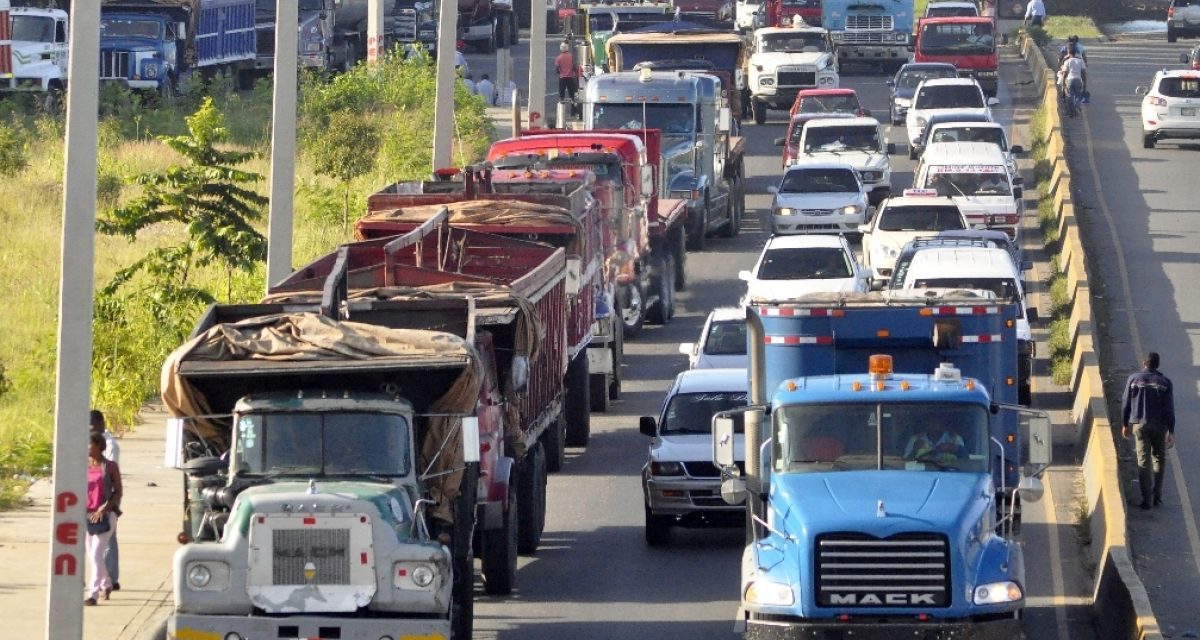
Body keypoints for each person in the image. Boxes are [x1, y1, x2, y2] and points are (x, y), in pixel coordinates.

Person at [1121, 352, 1175, 510]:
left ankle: (1147, 500)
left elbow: (1125, 403)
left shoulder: (1133, 379)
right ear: (1157, 365)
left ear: (1144, 363)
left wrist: (1125, 424)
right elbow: (1169, 409)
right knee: (1159, 458)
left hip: (1139, 424)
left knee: (1143, 461)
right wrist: (1171, 431)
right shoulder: (1165, 382)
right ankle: (1157, 496)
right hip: (1160, 426)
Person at [85, 432, 122, 606]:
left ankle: (93, 594)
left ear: (99, 446)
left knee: (97, 553)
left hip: (106, 515)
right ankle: (106, 583)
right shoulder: (83, 466)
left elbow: (118, 492)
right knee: (92, 555)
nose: (87, 447)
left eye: (90, 444)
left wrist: (104, 509)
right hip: (87, 514)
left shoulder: (110, 466)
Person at [90, 410, 121, 591]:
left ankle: (109, 578)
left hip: (107, 501)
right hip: (91, 502)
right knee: (94, 544)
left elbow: (109, 475)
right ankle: (105, 579)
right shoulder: (89, 444)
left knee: (107, 540)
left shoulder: (110, 446)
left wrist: (107, 505)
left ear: (101, 424)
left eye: (93, 426)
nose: (90, 430)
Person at [1058, 48, 1087, 117]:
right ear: (1075, 53)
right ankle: (1077, 108)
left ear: (1069, 53)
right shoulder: (1080, 61)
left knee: (1069, 96)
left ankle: (1071, 112)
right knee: (1078, 95)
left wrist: (1063, 83)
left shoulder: (1067, 61)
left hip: (1069, 80)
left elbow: (1065, 73)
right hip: (1078, 80)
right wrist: (1084, 82)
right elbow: (1083, 73)